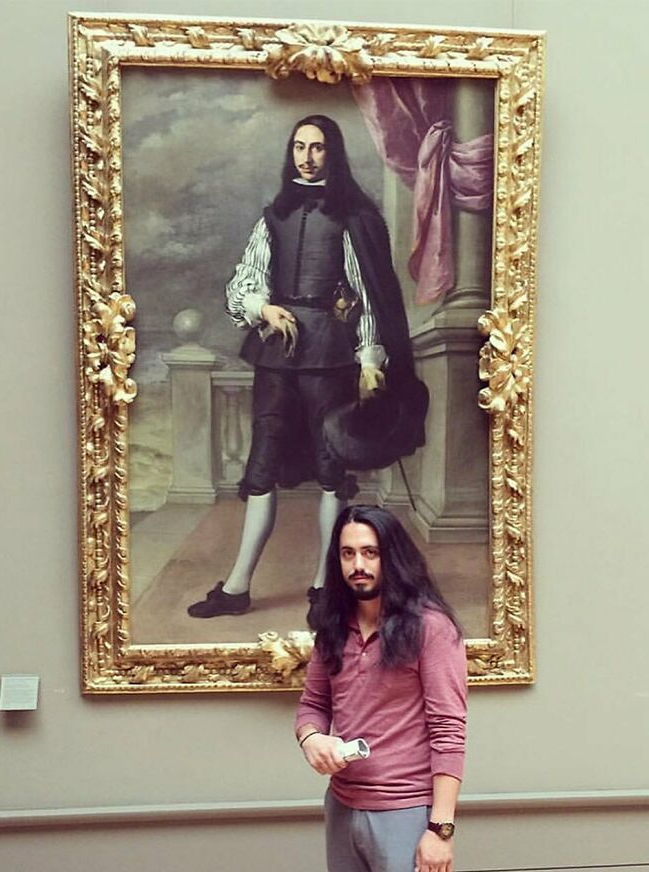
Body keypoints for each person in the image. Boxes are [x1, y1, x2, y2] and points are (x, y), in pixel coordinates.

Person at [188, 116, 426, 622]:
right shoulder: (272, 215)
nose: (307, 156)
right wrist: (263, 309)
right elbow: (244, 280)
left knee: (329, 470)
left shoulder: (354, 217)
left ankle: (324, 589)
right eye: (299, 146)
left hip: (332, 355)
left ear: (331, 153)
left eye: (317, 148)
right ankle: (236, 588)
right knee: (262, 468)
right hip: (277, 354)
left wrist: (368, 360)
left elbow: (366, 298)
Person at [295, 505, 467, 872]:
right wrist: (311, 738)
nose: (359, 564)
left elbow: (449, 731)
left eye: (370, 553)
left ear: (392, 557)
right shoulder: (333, 625)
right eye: (348, 553)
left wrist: (440, 829)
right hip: (342, 804)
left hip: (405, 810)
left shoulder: (432, 627)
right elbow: (313, 704)